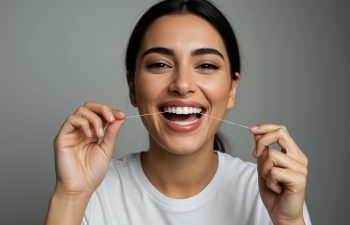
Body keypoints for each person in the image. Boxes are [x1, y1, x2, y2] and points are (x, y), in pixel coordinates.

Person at [45, 0, 311, 224]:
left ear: (232, 89)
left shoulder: (267, 192)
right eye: (160, 64)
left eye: (206, 65)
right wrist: (70, 195)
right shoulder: (94, 192)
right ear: (132, 88)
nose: (182, 85)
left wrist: (289, 221)